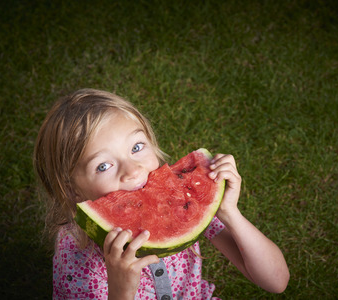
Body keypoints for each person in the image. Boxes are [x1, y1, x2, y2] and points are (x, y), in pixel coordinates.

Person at [34, 88, 289, 299]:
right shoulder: (75, 256)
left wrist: (230, 213)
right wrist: (120, 288)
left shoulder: (183, 202)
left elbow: (276, 281)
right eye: (103, 166)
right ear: (71, 189)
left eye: (136, 146)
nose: (133, 170)